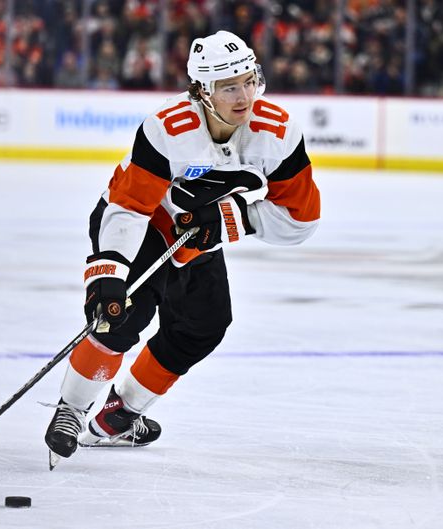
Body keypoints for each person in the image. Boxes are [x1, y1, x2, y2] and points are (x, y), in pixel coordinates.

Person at [44, 30, 321, 468]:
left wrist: (230, 222)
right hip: (144, 224)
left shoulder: (278, 133)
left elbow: (301, 219)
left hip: (197, 236)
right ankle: (71, 411)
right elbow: (129, 206)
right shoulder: (167, 129)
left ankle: (121, 414)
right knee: (117, 318)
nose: (244, 95)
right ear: (201, 91)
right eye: (228, 87)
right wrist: (110, 275)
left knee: (204, 324)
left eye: (250, 80)